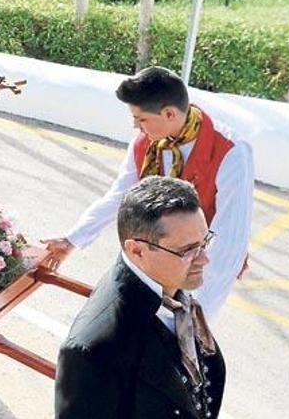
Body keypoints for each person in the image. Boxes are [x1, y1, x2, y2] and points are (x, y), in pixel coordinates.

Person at [42, 67, 254, 320]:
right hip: (150, 253)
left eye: (141, 119)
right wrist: (72, 239)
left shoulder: (231, 152)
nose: (135, 126)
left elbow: (229, 240)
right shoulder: (146, 142)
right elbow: (121, 196)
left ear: (169, 113)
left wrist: (197, 311)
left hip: (195, 265)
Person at [55, 176, 225, 419]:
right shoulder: (93, 349)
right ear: (137, 250)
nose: (204, 259)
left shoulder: (172, 289)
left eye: (204, 242)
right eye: (187, 250)